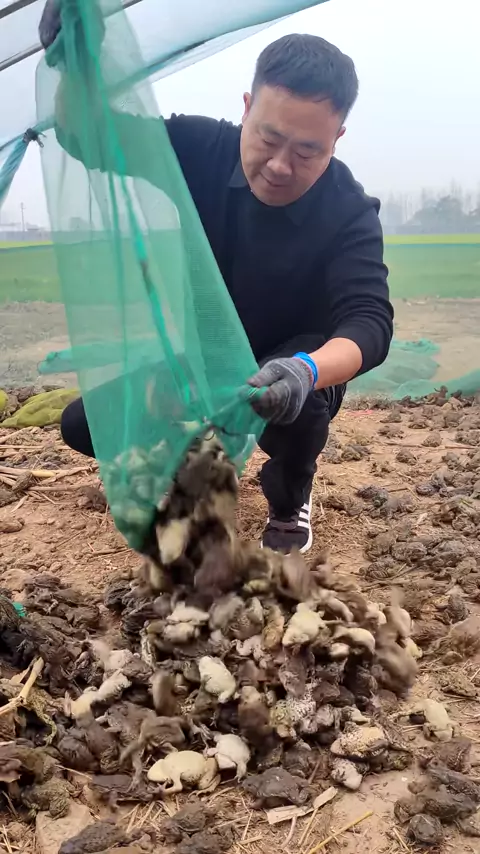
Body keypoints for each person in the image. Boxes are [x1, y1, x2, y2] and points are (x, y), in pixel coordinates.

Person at [39, 3, 394, 555]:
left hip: (293, 366)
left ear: (337, 137)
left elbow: (369, 324)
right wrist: (73, 62)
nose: (280, 165)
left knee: (298, 407)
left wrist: (306, 371)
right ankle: (196, 454)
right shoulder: (202, 148)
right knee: (86, 425)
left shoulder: (349, 211)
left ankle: (289, 497)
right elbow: (89, 135)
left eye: (308, 151)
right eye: (268, 138)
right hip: (202, 364)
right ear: (247, 107)